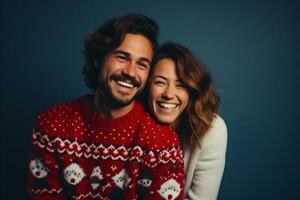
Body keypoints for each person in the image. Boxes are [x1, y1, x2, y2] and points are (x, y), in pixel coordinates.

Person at [27, 14, 184, 200]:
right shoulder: (52, 124)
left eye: (142, 64)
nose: (130, 72)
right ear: (98, 59)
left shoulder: (162, 142)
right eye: (122, 57)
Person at [146, 42, 227, 200]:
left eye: (181, 85)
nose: (169, 94)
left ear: (192, 90)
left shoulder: (212, 129)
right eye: (160, 82)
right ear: (147, 86)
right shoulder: (131, 125)